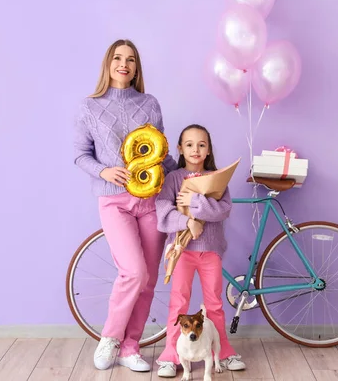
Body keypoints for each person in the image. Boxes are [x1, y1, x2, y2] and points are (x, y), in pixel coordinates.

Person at [73, 39, 177, 372]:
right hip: (114, 200)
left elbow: (159, 153)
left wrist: (189, 169)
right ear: (108, 64)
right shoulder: (89, 107)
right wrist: (104, 170)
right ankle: (110, 338)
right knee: (132, 271)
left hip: (152, 201)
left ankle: (131, 346)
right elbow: (80, 155)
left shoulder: (150, 103)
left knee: (147, 280)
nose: (124, 64)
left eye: (130, 59)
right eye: (118, 58)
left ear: (136, 67)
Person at [154, 124, 247, 378]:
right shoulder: (173, 179)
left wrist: (194, 203)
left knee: (214, 304)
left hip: (211, 251)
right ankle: (171, 355)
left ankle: (222, 353)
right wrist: (188, 222)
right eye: (190, 144)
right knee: (178, 303)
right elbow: (162, 211)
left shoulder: (217, 178)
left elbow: (223, 210)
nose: (196, 149)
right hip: (182, 251)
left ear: (208, 151)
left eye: (202, 145)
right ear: (180, 149)